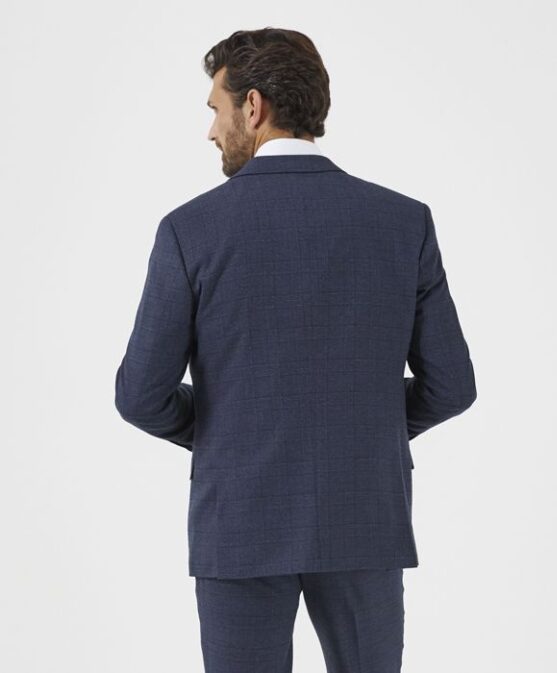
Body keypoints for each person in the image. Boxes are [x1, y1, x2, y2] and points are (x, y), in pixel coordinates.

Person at [114, 26, 477, 673]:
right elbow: (451, 385)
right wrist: (361, 423)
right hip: (364, 514)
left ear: (252, 106)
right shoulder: (404, 222)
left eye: (216, 109)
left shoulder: (190, 231)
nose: (211, 131)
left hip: (239, 521)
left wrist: (234, 430)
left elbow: (141, 395)